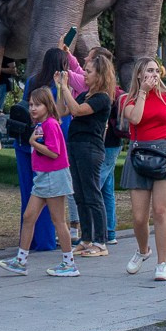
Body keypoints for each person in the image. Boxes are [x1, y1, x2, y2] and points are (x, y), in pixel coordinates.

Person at [118, 62, 166, 281]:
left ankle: (162, 263)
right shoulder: (127, 100)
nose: (154, 74)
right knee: (139, 217)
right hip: (139, 155)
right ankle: (143, 250)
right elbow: (136, 118)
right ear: (139, 75)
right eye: (149, 70)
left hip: (164, 155)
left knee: (160, 211)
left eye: (157, 70)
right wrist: (143, 93)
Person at [0, 86, 77, 277]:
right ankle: (21, 260)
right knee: (29, 217)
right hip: (43, 177)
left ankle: (69, 263)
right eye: (31, 104)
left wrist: (33, 143)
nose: (33, 108)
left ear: (47, 105)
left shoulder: (50, 124)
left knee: (58, 221)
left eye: (38, 105)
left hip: (53, 176)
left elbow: (54, 152)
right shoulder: (41, 125)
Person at [63, 48, 115, 256]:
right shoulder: (86, 94)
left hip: (90, 148)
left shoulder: (102, 98)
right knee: (80, 194)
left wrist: (66, 87)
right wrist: (62, 88)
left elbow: (76, 111)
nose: (84, 74)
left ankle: (100, 241)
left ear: (100, 75)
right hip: (76, 145)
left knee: (92, 194)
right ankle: (86, 238)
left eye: (89, 71)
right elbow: (63, 110)